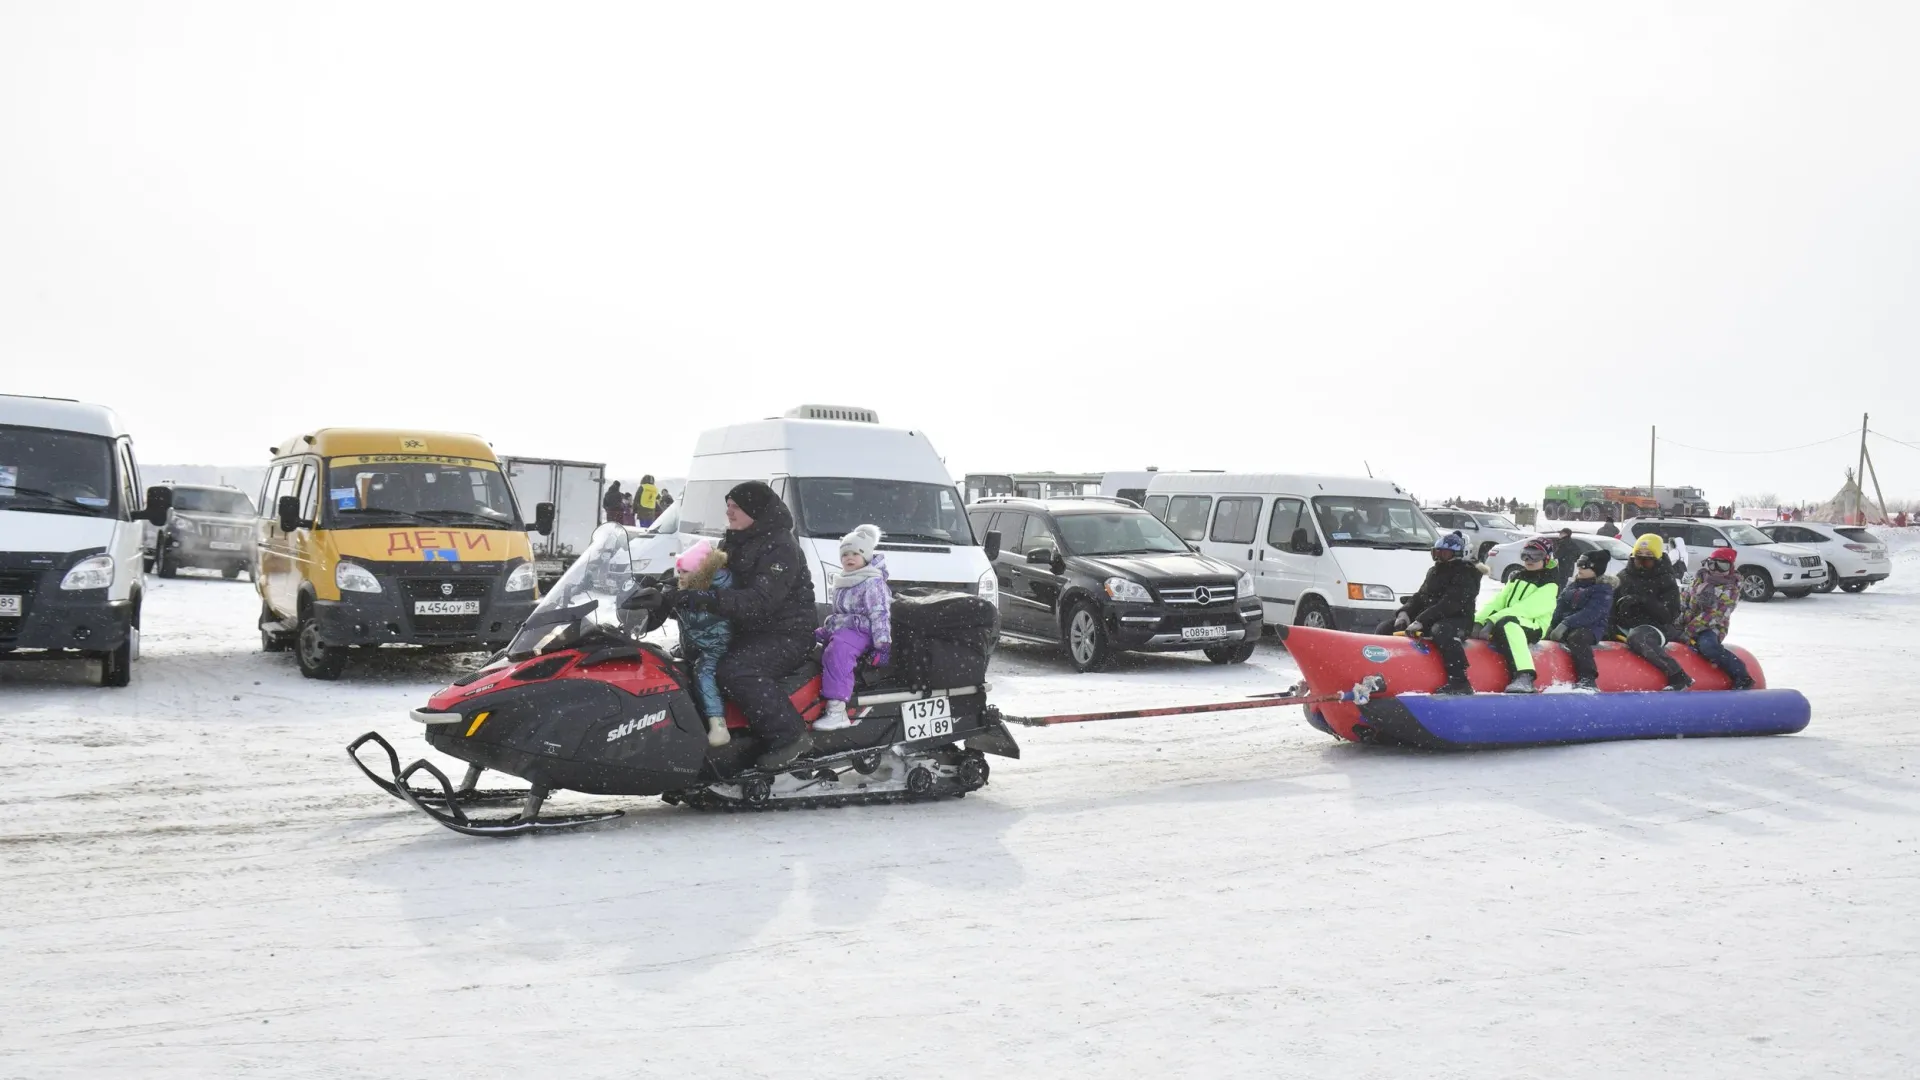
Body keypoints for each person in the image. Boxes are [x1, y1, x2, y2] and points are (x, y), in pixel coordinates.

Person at [671, 481, 819, 769]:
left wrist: (704, 600)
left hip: (786, 633)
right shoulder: (737, 539)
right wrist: (668, 588)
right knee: (688, 662)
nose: (729, 512)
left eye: (735, 506)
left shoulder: (781, 547)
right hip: (747, 628)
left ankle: (789, 737)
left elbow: (761, 600)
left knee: (736, 670)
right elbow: (702, 575)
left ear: (756, 510)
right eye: (728, 505)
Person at [1381, 530, 1483, 696]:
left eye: (1444, 553)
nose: (1438, 557)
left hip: (1458, 620)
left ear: (1457, 554)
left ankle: (1459, 681)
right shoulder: (1434, 571)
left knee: (1441, 630)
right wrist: (1404, 613)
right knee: (1387, 627)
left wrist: (1421, 620)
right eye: (1436, 552)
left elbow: (1451, 603)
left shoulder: (1467, 574)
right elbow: (1421, 596)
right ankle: (1382, 668)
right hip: (1431, 617)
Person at [811, 524, 893, 731]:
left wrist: (882, 645)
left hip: (864, 631)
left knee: (838, 652)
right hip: (847, 630)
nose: (849, 557)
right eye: (845, 554)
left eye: (855, 553)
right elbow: (841, 614)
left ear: (866, 555)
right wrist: (827, 630)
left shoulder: (872, 581)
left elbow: (880, 613)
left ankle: (837, 711)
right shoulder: (844, 580)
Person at [1473, 537, 1559, 693]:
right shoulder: (1518, 577)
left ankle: (1525, 675)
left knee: (1509, 623)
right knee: (1504, 622)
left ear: (1546, 558)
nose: (1528, 560)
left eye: (1535, 556)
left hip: (1532, 626)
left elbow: (1525, 609)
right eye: (1525, 555)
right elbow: (1498, 602)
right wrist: (1478, 621)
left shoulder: (1549, 583)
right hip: (1505, 621)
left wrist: (1492, 621)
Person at [1609, 532, 1691, 691]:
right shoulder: (1623, 577)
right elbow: (1610, 606)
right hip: (1624, 624)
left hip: (1654, 626)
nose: (1641, 563)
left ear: (1657, 560)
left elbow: (1669, 614)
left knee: (1640, 638)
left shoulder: (1665, 580)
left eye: (1647, 560)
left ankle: (1677, 674)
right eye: (1638, 559)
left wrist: (1644, 601)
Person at [673, 540, 735, 747]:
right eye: (679, 570)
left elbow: (701, 618)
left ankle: (718, 725)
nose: (680, 575)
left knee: (703, 672)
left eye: (685, 571)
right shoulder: (693, 586)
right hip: (697, 644)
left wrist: (682, 601)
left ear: (698, 571)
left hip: (715, 646)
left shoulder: (715, 590)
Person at [1674, 547, 1753, 689]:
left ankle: (1742, 676)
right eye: (1712, 564)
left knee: (1708, 647)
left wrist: (1688, 632)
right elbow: (1684, 600)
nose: (1716, 569)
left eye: (1722, 566)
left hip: (1711, 627)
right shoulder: (1699, 580)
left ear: (1730, 567)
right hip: (1687, 623)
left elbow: (1715, 614)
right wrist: (1677, 621)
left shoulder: (1731, 588)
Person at [1547, 549, 1615, 691]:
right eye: (1579, 564)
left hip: (1591, 628)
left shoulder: (1602, 589)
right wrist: (1553, 625)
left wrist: (1566, 623)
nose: (1580, 569)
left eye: (1585, 565)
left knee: (1578, 638)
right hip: (1566, 625)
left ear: (1596, 569)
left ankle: (1588, 678)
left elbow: (1591, 613)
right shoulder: (1573, 586)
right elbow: (1560, 606)